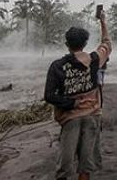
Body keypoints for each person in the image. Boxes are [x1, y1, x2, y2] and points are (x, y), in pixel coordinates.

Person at [43, 11, 111, 180]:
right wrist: (102, 21)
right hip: (92, 116)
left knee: (65, 165)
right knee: (85, 165)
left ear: (67, 44)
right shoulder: (94, 59)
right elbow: (107, 43)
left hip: (70, 119)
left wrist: (71, 104)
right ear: (85, 43)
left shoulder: (58, 66)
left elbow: (49, 96)